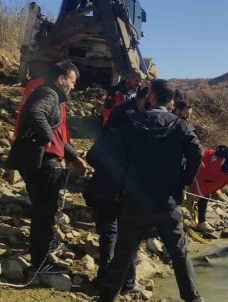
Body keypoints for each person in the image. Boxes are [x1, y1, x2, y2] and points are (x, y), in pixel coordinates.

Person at [98, 79, 203, 302]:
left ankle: (107, 298)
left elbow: (105, 153)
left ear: (151, 97)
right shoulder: (180, 125)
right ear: (171, 101)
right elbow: (197, 153)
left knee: (123, 254)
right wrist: (183, 182)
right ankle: (192, 299)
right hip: (167, 201)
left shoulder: (131, 121)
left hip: (135, 199)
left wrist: (124, 177)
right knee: (179, 253)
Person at [7, 61, 87, 273]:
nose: (73, 86)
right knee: (44, 214)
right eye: (72, 81)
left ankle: (41, 251)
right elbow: (35, 113)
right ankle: (41, 262)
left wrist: (73, 156)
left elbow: (59, 135)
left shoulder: (52, 96)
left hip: (39, 161)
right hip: (42, 163)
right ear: (61, 79)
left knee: (43, 211)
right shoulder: (49, 94)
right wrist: (47, 137)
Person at [84, 86, 149, 295]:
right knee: (127, 236)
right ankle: (127, 283)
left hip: (103, 188)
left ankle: (104, 280)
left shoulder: (111, 131)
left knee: (109, 235)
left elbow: (91, 157)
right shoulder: (139, 136)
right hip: (125, 192)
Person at [13, 77, 70, 144]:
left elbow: (61, 121)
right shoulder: (44, 88)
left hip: (53, 143)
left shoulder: (59, 93)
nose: (73, 87)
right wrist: (48, 136)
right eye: (72, 82)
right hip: (41, 144)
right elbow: (31, 112)